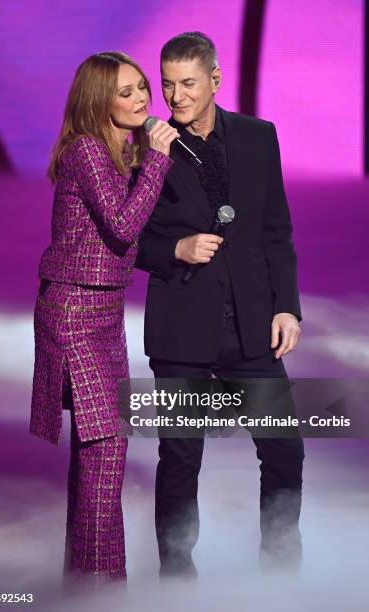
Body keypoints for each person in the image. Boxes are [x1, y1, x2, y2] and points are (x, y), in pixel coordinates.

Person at [135, 32, 305, 576]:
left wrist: (287, 307)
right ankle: (176, 578)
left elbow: (275, 229)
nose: (176, 96)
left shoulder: (258, 136)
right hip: (182, 324)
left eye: (187, 83)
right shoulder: (145, 146)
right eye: (167, 84)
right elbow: (117, 237)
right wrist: (174, 250)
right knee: (181, 457)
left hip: (253, 326)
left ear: (215, 78)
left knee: (284, 451)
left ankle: (280, 571)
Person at [29, 51, 178, 584]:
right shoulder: (89, 151)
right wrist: (158, 160)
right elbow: (121, 225)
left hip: (105, 316)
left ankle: (86, 584)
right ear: (99, 100)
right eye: (126, 92)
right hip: (73, 312)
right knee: (107, 450)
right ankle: (102, 589)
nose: (141, 99)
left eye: (142, 88)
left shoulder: (120, 151)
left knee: (96, 457)